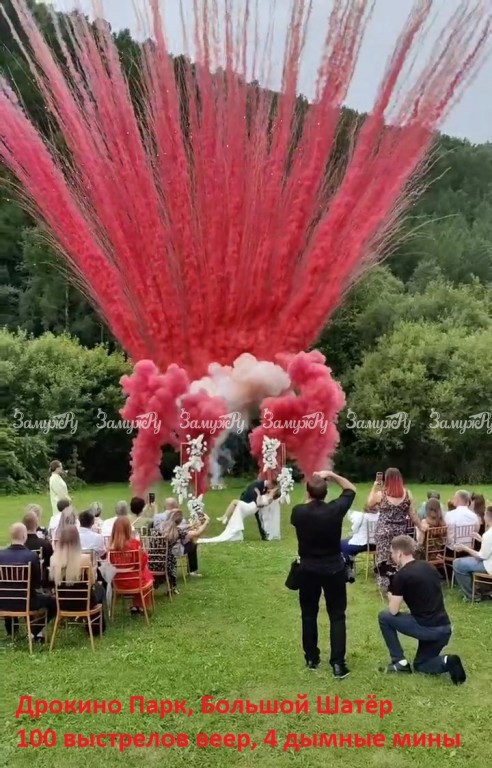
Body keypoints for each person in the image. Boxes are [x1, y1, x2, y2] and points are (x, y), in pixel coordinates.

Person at [291, 471, 356, 678]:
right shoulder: (335, 510)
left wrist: (310, 491)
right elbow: (351, 489)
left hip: (308, 570)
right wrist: (332, 475)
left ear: (308, 492)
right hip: (333, 568)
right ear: (326, 493)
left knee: (308, 614)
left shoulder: (299, 512)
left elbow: (306, 506)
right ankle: (338, 664)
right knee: (337, 616)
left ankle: (311, 658)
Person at [378, 535, 466, 685]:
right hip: (444, 628)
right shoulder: (429, 567)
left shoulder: (401, 575)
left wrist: (391, 595)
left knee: (384, 617)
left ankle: (399, 662)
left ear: (399, 553)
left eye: (392, 552)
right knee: (421, 665)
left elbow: (393, 611)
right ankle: (448, 661)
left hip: (426, 628)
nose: (391, 556)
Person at [367, 468, 423, 592]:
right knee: (399, 558)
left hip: (383, 531)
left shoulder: (381, 494)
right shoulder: (407, 494)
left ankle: (384, 586)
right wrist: (421, 527)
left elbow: (369, 504)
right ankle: (399, 583)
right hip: (400, 532)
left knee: (383, 558)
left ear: (387, 479)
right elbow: (413, 514)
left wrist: (374, 487)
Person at [0, 523, 56, 642]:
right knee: (54, 602)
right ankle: (35, 629)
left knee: (10, 591)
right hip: (26, 602)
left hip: (3, 601)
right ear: (24, 536)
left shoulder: (1, 555)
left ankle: (12, 631)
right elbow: (37, 583)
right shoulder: (31, 556)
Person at [50, 525, 106, 634]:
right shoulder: (85, 559)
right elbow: (91, 582)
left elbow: (53, 583)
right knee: (100, 589)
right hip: (84, 602)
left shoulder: (54, 559)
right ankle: (95, 627)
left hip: (62, 602)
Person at [152, 510, 209, 593]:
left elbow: (178, 527)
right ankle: (172, 587)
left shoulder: (160, 526)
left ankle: (159, 582)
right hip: (166, 563)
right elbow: (197, 533)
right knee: (192, 545)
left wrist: (190, 525)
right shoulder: (176, 532)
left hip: (152, 560)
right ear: (179, 522)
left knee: (170, 556)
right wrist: (206, 522)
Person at [201, 486, 280, 544]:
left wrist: (258, 494)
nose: (272, 489)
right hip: (251, 506)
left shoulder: (269, 499)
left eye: (274, 490)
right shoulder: (268, 496)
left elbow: (259, 504)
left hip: (251, 507)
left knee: (235, 502)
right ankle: (232, 526)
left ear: (275, 493)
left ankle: (225, 517)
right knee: (236, 507)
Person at [109, 517, 153, 614]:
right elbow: (142, 563)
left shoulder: (110, 547)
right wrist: (144, 553)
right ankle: (140, 605)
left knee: (140, 573)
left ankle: (136, 606)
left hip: (118, 583)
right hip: (135, 581)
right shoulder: (134, 544)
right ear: (128, 529)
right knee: (144, 572)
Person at [452, 505, 492, 601]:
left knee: (458, 563)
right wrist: (481, 539)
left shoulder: (488, 534)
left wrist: (465, 548)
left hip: (488, 564)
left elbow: (482, 556)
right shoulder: (488, 535)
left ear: (487, 516)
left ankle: (472, 596)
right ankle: (481, 589)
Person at [22, 511, 53, 576]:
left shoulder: (20, 545)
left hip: (22, 576)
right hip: (40, 578)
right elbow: (50, 563)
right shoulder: (45, 544)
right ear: (36, 525)